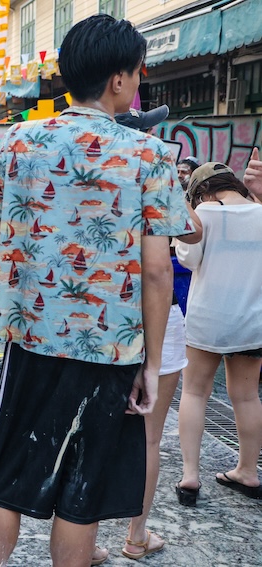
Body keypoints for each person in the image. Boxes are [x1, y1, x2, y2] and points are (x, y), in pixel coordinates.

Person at [0, 15, 192, 567]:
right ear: (118, 80)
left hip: (30, 339)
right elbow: (159, 271)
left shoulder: (19, 140)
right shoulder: (148, 155)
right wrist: (149, 363)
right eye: (137, 73)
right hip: (110, 348)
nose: (138, 83)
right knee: (83, 491)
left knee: (8, 477)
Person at [113, 108, 203, 561]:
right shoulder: (153, 168)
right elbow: (194, 229)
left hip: (104, 322)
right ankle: (136, 536)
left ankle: (83, 540)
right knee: (149, 438)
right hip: (157, 320)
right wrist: (166, 175)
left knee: (95, 435)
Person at [175, 163, 262, 506]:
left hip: (207, 317)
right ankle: (248, 472)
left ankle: (190, 477)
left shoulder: (204, 213)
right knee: (246, 397)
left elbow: (187, 259)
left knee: (195, 392)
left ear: (202, 192)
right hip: (252, 320)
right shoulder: (260, 212)